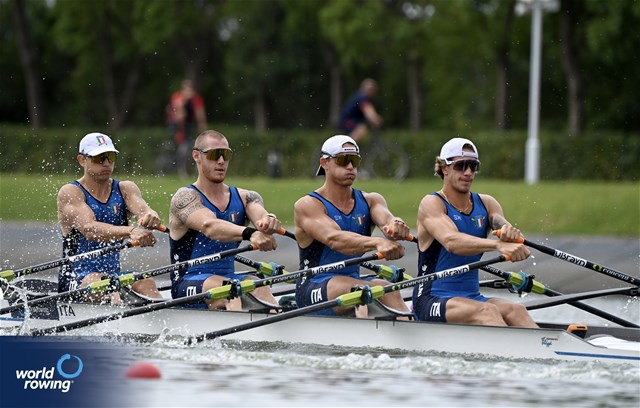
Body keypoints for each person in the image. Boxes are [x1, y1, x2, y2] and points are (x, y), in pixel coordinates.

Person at [412, 137, 538, 327]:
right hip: (431, 299)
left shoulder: (487, 203)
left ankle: (543, 353)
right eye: (461, 166)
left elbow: (501, 226)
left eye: (473, 166)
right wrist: (498, 245)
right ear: (444, 168)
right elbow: (451, 241)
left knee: (516, 310)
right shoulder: (432, 203)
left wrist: (510, 234)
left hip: (472, 297)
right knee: (487, 311)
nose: (468, 172)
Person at [293, 135, 411, 318]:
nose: (350, 167)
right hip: (313, 286)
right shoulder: (308, 205)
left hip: (353, 282)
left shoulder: (371, 200)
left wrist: (396, 226)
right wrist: (378, 243)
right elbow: (335, 239)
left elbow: (388, 220)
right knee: (359, 291)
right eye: (343, 161)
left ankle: (410, 336)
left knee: (389, 289)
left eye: (354, 161)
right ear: (324, 162)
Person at [168, 130, 283, 311]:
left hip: (229, 280)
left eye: (226, 155)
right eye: (214, 155)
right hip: (187, 282)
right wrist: (250, 234)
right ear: (196, 156)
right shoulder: (185, 197)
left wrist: (269, 221)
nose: (221, 161)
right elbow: (210, 226)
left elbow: (260, 216)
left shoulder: (247, 197)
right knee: (230, 292)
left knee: (261, 288)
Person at [57, 132, 163, 303]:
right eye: (99, 158)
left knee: (146, 282)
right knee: (101, 285)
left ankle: (164, 318)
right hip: (76, 279)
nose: (106, 164)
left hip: (112, 276)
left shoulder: (125, 188)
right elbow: (90, 229)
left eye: (111, 157)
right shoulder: (71, 192)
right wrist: (131, 231)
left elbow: (144, 210)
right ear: (82, 160)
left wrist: (151, 217)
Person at [167, 79, 207, 178]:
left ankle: (189, 168)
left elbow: (200, 113)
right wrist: (184, 101)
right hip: (177, 123)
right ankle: (179, 166)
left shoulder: (195, 99)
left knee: (190, 145)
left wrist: (202, 126)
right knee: (182, 144)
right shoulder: (178, 97)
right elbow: (179, 115)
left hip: (189, 124)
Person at [338, 78, 383, 143]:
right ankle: (346, 149)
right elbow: (369, 112)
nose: (371, 91)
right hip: (348, 120)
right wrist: (376, 120)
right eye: (369, 89)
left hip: (352, 120)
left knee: (362, 129)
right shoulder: (362, 98)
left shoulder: (362, 97)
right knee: (362, 129)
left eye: (372, 90)